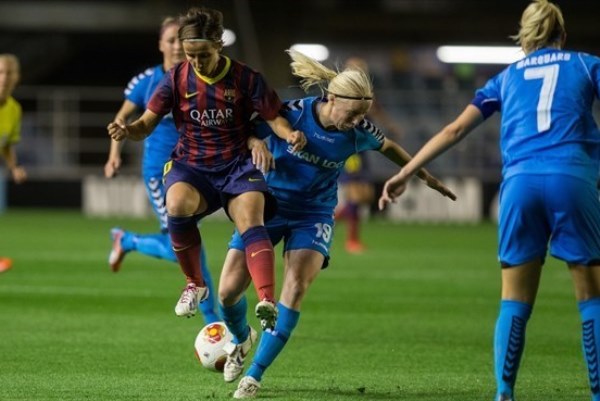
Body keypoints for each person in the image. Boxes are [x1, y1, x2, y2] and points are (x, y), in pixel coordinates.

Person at [378, 1, 600, 400]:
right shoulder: (586, 64)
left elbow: (453, 130)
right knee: (591, 297)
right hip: (572, 178)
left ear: (524, 37)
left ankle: (504, 393)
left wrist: (405, 172)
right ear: (562, 35)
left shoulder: (506, 78)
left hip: (520, 185)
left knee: (513, 299)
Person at [217, 48, 456, 399]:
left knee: (295, 287)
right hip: (268, 206)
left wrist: (420, 175)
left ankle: (254, 375)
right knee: (227, 292)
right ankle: (241, 339)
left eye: (364, 112)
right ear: (330, 98)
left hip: (314, 214)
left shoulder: (358, 131)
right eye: (355, 111)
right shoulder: (292, 113)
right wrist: (257, 144)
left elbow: (389, 146)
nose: (359, 119)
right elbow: (246, 130)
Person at [107, 7, 306, 328]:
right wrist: (127, 131)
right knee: (176, 205)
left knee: (252, 220)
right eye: (190, 55)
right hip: (192, 165)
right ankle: (194, 284)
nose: (196, 62)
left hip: (236, 165)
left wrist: (289, 134)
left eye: (202, 55)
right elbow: (145, 124)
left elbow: (274, 118)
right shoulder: (174, 78)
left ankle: (267, 299)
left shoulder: (246, 78)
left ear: (218, 45)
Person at [103, 17, 219, 324]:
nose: (175, 47)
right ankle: (212, 319)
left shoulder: (199, 78)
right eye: (169, 40)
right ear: (161, 44)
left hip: (193, 171)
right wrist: (114, 153)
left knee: (186, 242)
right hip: (159, 172)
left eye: (179, 41)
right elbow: (122, 118)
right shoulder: (149, 80)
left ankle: (127, 241)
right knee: (183, 243)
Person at [335, 56, 404, 254]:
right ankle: (352, 241)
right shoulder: (342, 92)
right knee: (356, 195)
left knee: (365, 196)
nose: (361, 73)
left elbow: (377, 110)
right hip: (349, 149)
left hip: (361, 149)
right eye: (357, 69)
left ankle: (326, 224)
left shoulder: (366, 94)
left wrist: (390, 126)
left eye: (362, 70)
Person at [0, 53, 27, 273]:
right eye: (0, 72)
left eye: (9, 73)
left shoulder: (14, 109)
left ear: (16, 77)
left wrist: (14, 167)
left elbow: (7, 144)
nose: (4, 77)